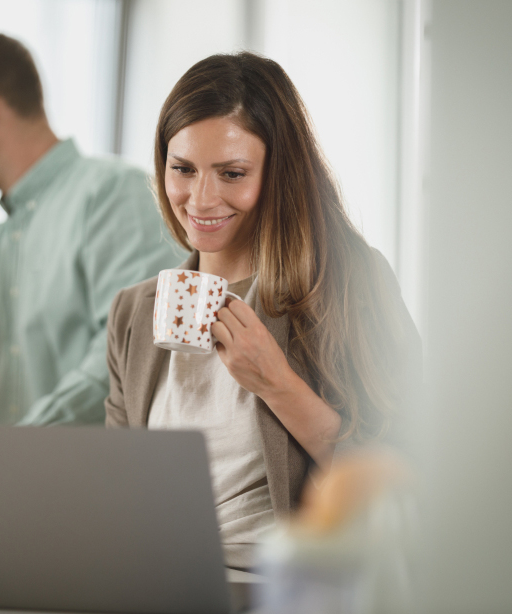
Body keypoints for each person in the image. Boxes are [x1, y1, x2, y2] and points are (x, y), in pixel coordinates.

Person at [104, 52, 422, 568]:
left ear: (279, 173)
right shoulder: (133, 314)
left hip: (280, 586)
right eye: (182, 169)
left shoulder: (346, 285)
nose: (200, 200)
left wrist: (277, 384)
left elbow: (406, 474)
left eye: (231, 173)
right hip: (158, 581)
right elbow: (117, 494)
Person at [0, 31, 181, 425]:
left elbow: (136, 349)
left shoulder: (115, 195)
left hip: (100, 471)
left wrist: (22, 445)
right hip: (6, 467)